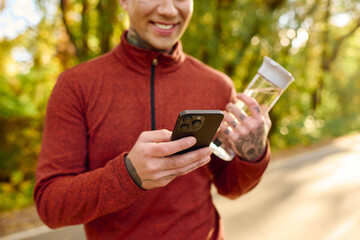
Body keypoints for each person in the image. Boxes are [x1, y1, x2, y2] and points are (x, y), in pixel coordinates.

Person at [34, 0, 272, 239]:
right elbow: (51, 205)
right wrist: (128, 176)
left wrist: (253, 152)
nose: (169, 10)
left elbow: (230, 186)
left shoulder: (217, 85)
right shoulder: (76, 86)